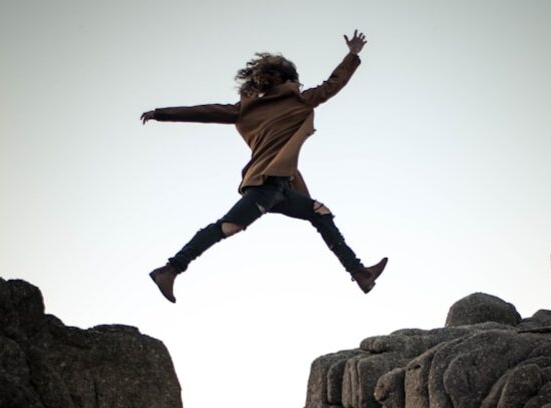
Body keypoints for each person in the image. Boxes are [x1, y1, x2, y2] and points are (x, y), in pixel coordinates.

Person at [141, 29, 387, 303]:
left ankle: (360, 273)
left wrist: (162, 113)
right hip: (265, 185)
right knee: (229, 226)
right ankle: (171, 269)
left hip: (281, 187)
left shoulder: (247, 109)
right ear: (287, 80)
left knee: (321, 213)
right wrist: (352, 54)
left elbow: (205, 110)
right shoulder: (298, 100)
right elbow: (333, 84)